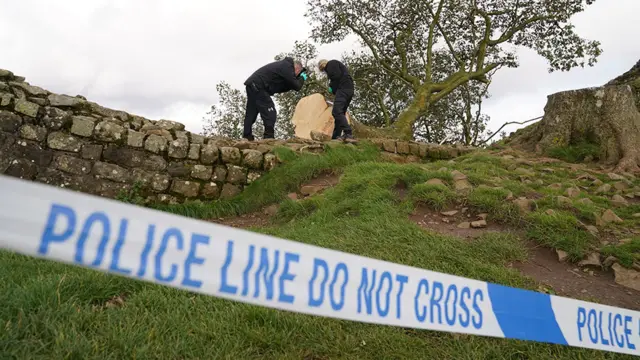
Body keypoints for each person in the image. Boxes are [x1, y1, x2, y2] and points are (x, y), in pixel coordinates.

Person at [242, 57, 308, 140]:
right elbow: (297, 86)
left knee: (251, 112)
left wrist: (296, 81)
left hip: (252, 85)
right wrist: (301, 78)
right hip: (259, 86)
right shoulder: (287, 66)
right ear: (297, 69)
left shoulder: (283, 67)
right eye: (298, 73)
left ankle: (247, 136)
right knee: (270, 112)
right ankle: (268, 137)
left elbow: (285, 86)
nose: (297, 75)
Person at [318, 59, 354, 140]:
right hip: (348, 90)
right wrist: (333, 89)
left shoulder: (331, 64)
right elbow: (337, 78)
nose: (324, 71)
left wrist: (331, 86)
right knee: (340, 113)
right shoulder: (335, 66)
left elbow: (336, 76)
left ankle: (348, 133)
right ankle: (336, 136)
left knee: (336, 111)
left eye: (322, 69)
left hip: (343, 89)